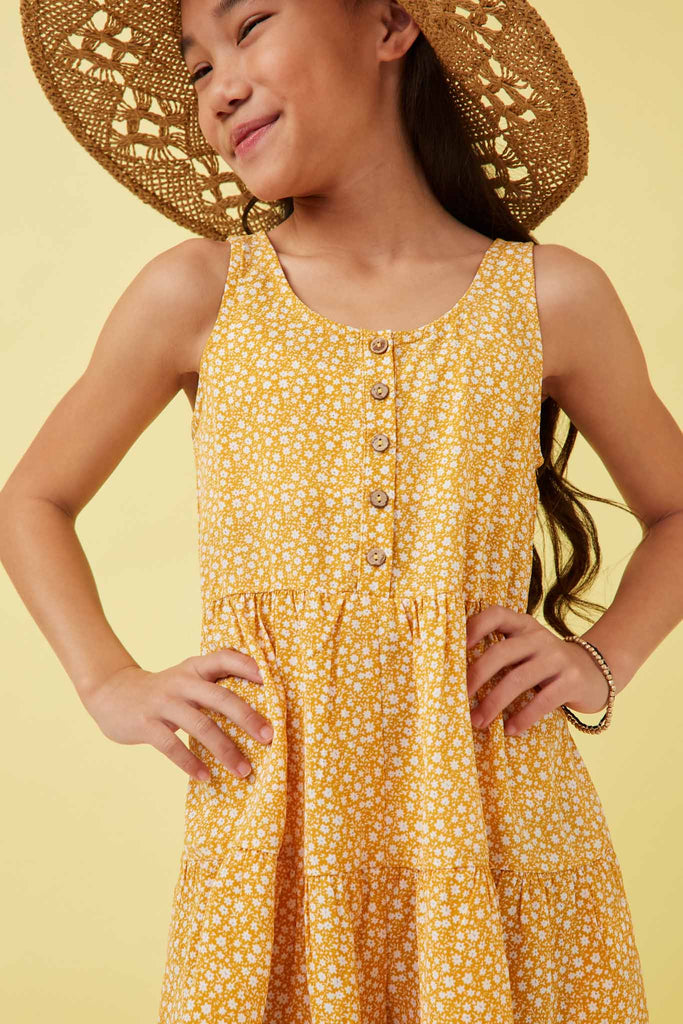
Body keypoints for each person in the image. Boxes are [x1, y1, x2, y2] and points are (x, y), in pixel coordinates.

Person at [6, 0, 682, 1020]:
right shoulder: (197, 293)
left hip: (498, 839)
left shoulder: (550, 298)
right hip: (277, 847)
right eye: (195, 68)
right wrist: (108, 681)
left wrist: (601, 657)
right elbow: (32, 499)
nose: (218, 87)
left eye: (249, 25)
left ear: (389, 25)